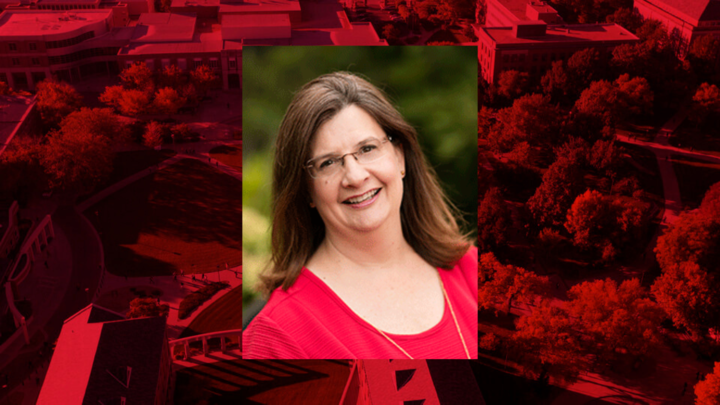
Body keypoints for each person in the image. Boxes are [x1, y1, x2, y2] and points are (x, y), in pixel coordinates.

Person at [242, 72, 477, 359]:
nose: (354, 176)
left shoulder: (476, 272)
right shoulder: (279, 335)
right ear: (306, 191)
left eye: (367, 149)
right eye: (328, 163)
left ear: (400, 156)